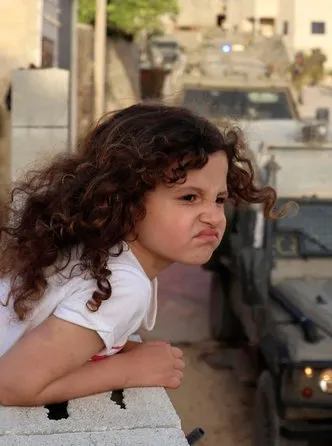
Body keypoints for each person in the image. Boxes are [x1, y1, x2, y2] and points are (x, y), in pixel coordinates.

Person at [0, 103, 282, 406]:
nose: (213, 216)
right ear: (126, 200)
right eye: (189, 197)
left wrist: (116, 347)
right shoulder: (123, 284)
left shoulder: (95, 251)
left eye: (219, 199)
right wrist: (129, 369)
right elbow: (12, 385)